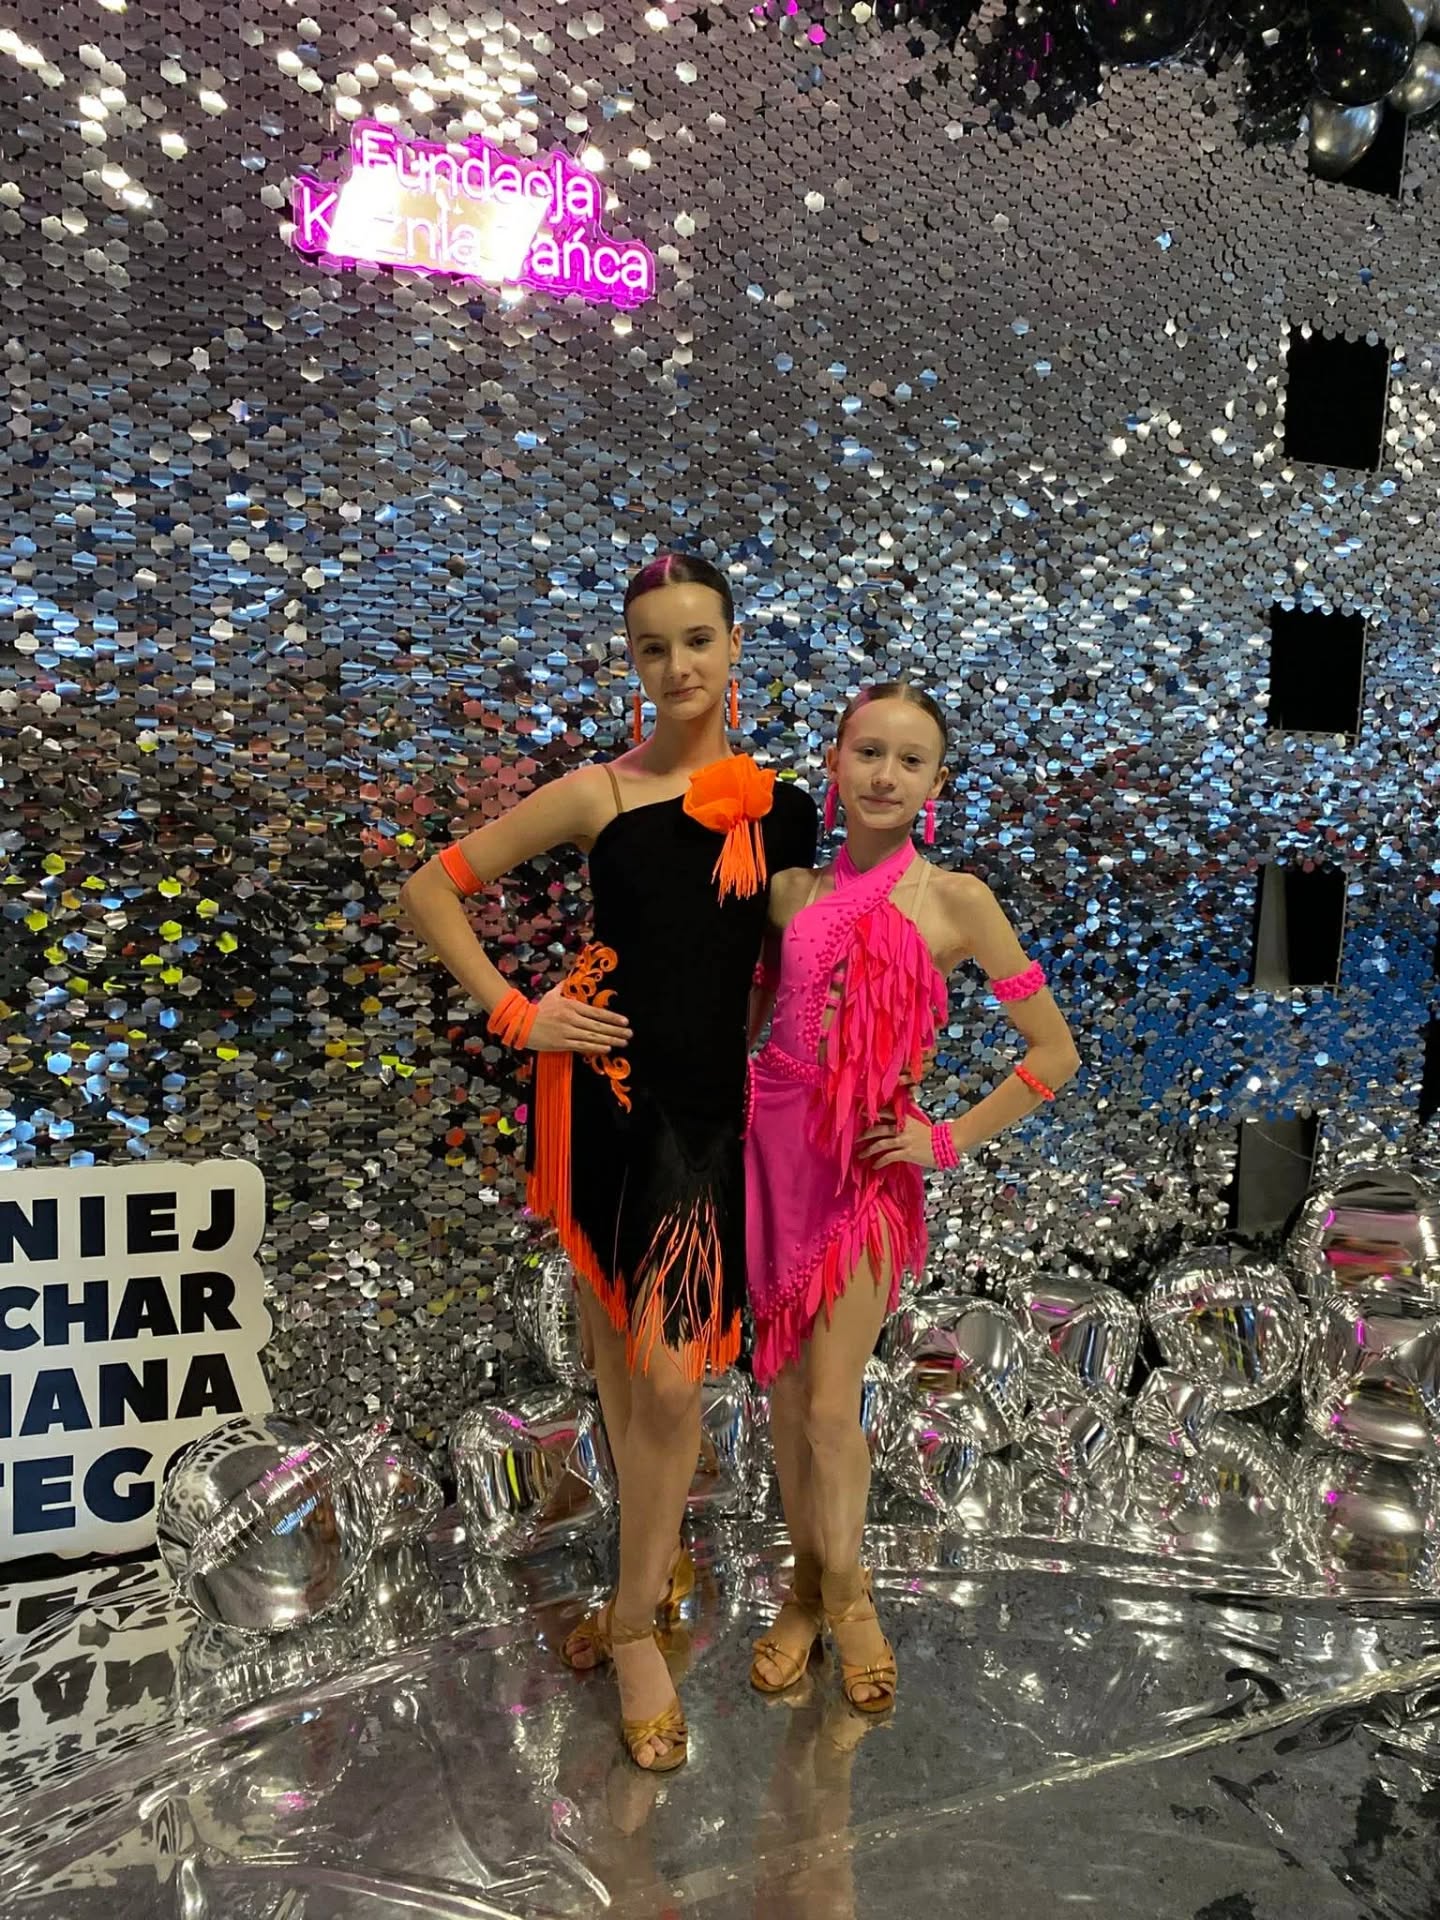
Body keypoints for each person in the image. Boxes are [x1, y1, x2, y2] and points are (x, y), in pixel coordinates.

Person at [400, 553, 817, 1769]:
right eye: (653, 648)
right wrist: (518, 1013)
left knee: (674, 1383)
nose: (678, 666)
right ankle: (652, 1575)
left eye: (698, 640)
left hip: (704, 1120)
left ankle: (634, 1616)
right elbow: (433, 888)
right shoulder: (599, 794)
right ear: (632, 662)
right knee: (626, 1381)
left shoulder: (785, 806)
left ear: (735, 647)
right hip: (601, 1106)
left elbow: (795, 959)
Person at [744, 683, 1080, 1712]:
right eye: (868, 753)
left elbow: (1055, 1053)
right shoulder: (786, 892)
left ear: (935, 782)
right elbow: (749, 1019)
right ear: (835, 764)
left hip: (863, 1171)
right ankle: (804, 1588)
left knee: (831, 1406)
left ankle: (848, 1598)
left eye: (910, 760)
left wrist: (946, 1139)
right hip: (772, 1156)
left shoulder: (957, 900)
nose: (885, 775)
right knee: (785, 1395)